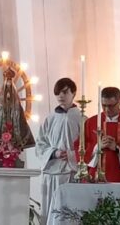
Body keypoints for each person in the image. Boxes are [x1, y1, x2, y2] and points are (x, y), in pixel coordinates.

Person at [35, 78, 80, 224]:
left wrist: (72, 155)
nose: (60, 95)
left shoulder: (81, 118)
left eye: (65, 92)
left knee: (70, 214)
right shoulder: (50, 118)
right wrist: (54, 153)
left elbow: (89, 146)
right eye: (57, 93)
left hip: (71, 172)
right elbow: (40, 144)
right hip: (51, 172)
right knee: (49, 212)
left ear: (73, 93)